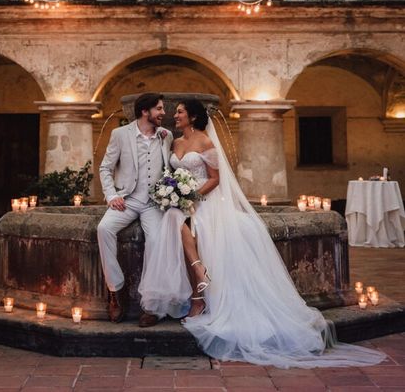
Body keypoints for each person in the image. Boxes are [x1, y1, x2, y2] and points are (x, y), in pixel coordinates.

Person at [138, 98, 386, 368]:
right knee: (173, 217)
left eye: (181, 112)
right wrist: (175, 194)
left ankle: (198, 296)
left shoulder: (206, 142)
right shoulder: (173, 142)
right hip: (183, 203)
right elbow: (170, 172)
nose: (176, 115)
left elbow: (215, 178)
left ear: (194, 117)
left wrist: (192, 195)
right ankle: (200, 274)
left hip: (205, 201)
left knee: (181, 221)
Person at [97, 92, 173, 327]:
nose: (163, 113)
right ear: (145, 111)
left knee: (158, 241)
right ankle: (115, 291)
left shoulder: (166, 136)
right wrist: (112, 195)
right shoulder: (120, 134)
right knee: (103, 229)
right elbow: (105, 168)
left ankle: (151, 305)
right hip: (127, 199)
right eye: (159, 109)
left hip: (154, 203)